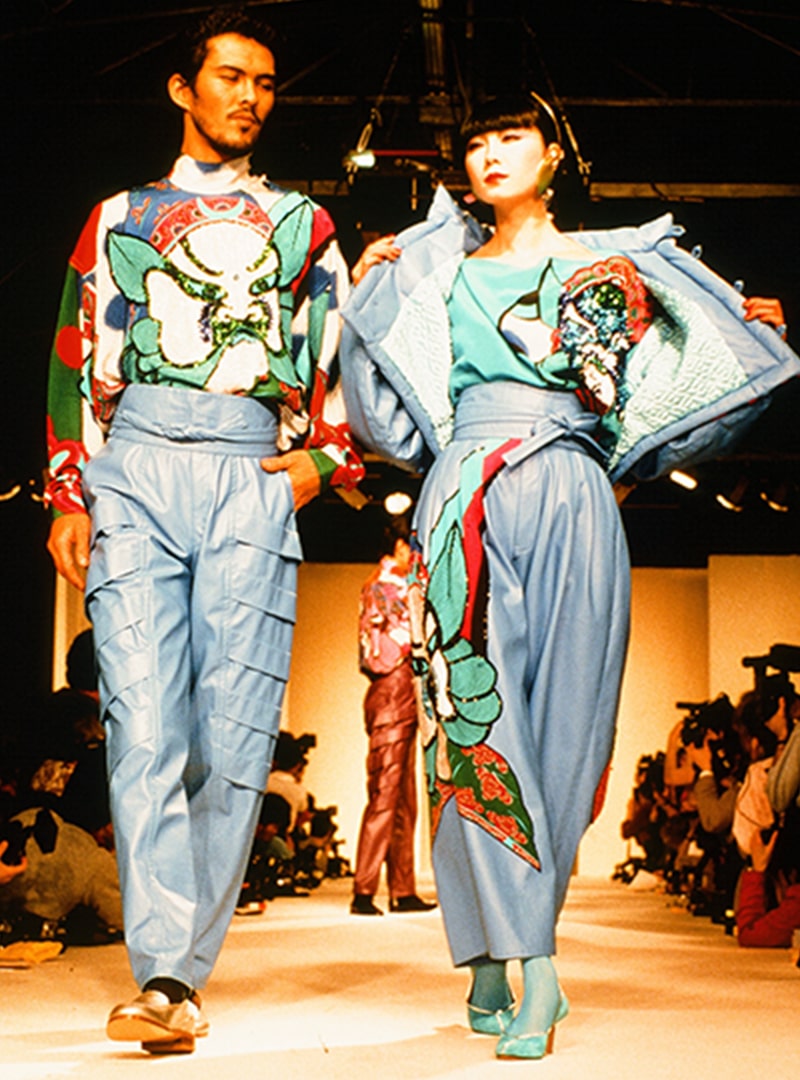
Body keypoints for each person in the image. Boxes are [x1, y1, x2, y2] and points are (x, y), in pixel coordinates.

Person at [340, 92, 800, 1060]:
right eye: (475, 142)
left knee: (570, 731)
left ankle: (492, 949)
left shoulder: (615, 269)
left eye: (511, 136)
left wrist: (749, 343)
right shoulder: (435, 272)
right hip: (466, 491)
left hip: (579, 491)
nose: (489, 154)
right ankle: (532, 966)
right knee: (472, 725)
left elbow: (686, 406)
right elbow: (382, 421)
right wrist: (369, 300)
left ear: (553, 154)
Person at [44, 6, 366, 1054]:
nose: (249, 97)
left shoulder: (304, 226)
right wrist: (68, 491)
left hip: (247, 470)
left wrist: (323, 461)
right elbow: (74, 351)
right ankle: (164, 975)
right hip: (135, 466)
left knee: (232, 738)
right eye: (230, 76)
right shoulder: (116, 217)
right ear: (183, 88)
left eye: (265, 82)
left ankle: (178, 973)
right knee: (142, 726)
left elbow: (339, 352)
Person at [350, 516, 436, 916]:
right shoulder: (383, 587)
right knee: (385, 793)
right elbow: (379, 651)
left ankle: (402, 890)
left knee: (403, 797)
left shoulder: (392, 586)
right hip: (391, 689)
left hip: (402, 689)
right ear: (400, 547)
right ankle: (364, 889)